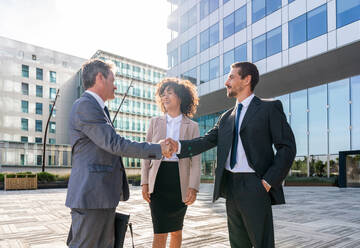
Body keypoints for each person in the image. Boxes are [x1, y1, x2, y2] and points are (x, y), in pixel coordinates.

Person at [168, 62, 296, 248]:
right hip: (231, 186)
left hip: (256, 185)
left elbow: (287, 147)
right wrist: (178, 146)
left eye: (231, 77)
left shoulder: (269, 108)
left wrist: (268, 181)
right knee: (237, 244)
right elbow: (205, 141)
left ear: (247, 80)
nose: (226, 82)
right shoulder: (226, 117)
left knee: (262, 243)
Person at [65, 59, 173, 248]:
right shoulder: (85, 105)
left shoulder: (98, 108)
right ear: (100, 78)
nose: (115, 86)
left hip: (100, 196)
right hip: (92, 196)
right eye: (113, 80)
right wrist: (158, 148)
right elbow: (114, 143)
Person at [141, 78, 201, 248]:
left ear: (180, 97)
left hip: (179, 181)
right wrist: (144, 182)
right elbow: (146, 155)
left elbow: (195, 161)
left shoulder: (192, 126)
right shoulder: (155, 122)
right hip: (158, 179)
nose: (165, 97)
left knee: (176, 230)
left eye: (169, 93)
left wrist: (193, 187)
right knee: (159, 231)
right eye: (163, 94)